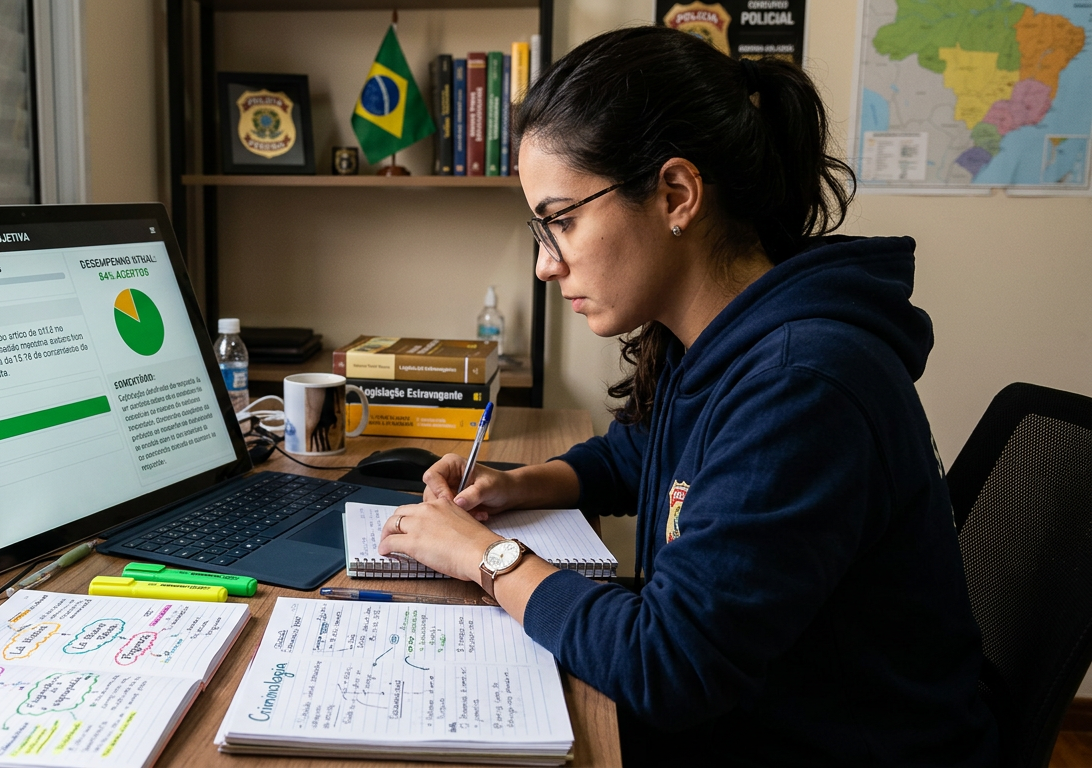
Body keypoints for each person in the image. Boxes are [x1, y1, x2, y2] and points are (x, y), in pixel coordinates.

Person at [377, 26, 998, 767]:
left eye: (563, 222)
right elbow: (654, 454)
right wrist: (515, 485)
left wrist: (487, 558)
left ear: (676, 193)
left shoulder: (803, 383)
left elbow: (669, 666)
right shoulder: (731, 329)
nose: (546, 265)